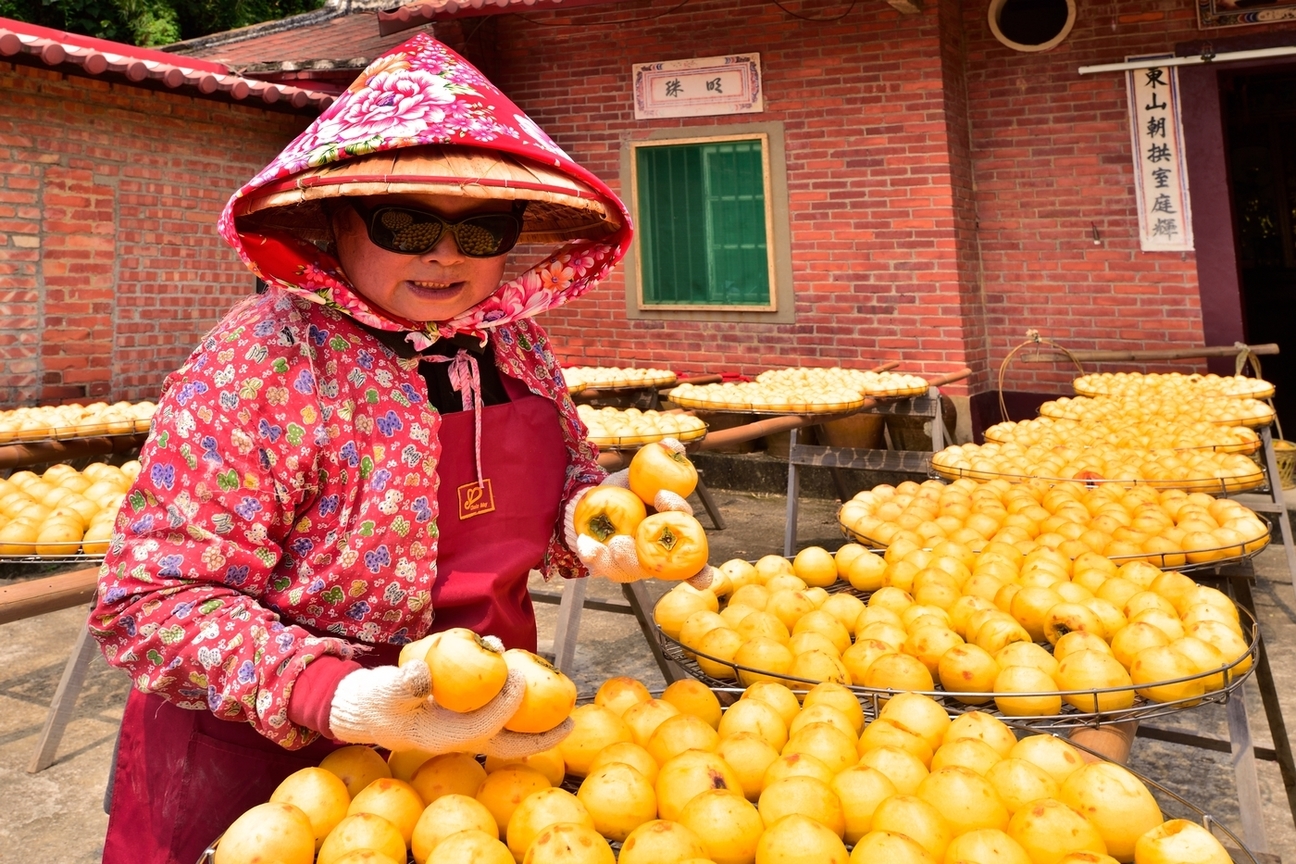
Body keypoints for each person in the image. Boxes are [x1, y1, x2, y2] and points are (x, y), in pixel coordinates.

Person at [89, 34, 708, 864]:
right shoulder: (259, 364)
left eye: (484, 228)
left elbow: (552, 499)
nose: (445, 254)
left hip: (474, 747)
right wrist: (331, 695)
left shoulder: (514, 346)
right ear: (337, 220)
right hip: (271, 773)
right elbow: (151, 601)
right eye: (405, 222)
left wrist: (595, 530)